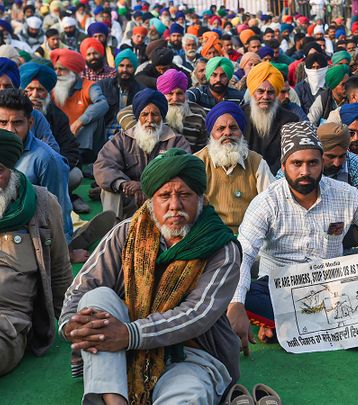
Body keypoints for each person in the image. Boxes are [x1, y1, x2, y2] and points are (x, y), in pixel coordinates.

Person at [60, 149, 241, 404]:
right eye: (165, 195)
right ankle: (114, 400)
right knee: (97, 297)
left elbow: (197, 314)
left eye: (185, 195)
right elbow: (83, 285)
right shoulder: (126, 233)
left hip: (190, 355)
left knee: (186, 398)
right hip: (120, 351)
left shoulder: (222, 248)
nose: (175, 205)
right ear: (150, 200)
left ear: (201, 198)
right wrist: (70, 325)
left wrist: (131, 334)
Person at [226, 121, 358, 351]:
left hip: (333, 288)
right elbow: (244, 252)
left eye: (312, 163)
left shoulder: (345, 195)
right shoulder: (267, 202)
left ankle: (288, 327)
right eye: (297, 163)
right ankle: (346, 330)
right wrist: (236, 302)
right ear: (284, 164)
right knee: (245, 298)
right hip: (278, 289)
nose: (305, 172)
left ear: (322, 163)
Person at [0, 130, 72, 376]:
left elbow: (61, 268)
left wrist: (71, 319)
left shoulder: (41, 203)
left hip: (8, 322)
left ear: (11, 170)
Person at [94, 89, 191, 221]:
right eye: (145, 114)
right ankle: (113, 231)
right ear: (138, 117)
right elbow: (103, 165)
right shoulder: (123, 139)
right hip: (130, 196)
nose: (149, 119)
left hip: (161, 196)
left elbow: (183, 172)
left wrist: (145, 186)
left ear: (162, 117)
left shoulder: (176, 141)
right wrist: (122, 184)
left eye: (155, 114)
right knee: (110, 189)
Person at [0, 89, 73, 243]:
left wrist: (65, 248)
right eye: (2, 123)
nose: (10, 130)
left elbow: (59, 210)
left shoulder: (47, 159)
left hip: (24, 239)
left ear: (30, 123)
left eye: (17, 123)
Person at [195, 102, 274, 234]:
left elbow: (272, 202)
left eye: (233, 128)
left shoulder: (256, 162)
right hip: (210, 236)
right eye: (220, 129)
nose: (227, 133)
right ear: (211, 134)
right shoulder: (198, 162)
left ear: (241, 132)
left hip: (250, 236)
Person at [20, 62, 86, 213]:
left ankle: (64, 202)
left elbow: (71, 150)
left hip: (50, 171)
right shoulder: (12, 115)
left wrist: (52, 166)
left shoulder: (57, 116)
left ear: (48, 93)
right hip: (18, 171)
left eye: (40, 90)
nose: (34, 95)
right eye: (30, 89)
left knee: (75, 175)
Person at [50, 48, 108, 162]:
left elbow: (103, 103)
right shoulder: (53, 88)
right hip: (62, 136)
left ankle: (81, 155)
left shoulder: (89, 86)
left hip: (84, 140)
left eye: (61, 69)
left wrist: (79, 122)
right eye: (55, 69)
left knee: (95, 114)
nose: (57, 73)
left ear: (73, 71)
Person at [242, 62, 298, 173]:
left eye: (271, 92)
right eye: (260, 91)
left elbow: (288, 156)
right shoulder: (240, 115)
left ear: (276, 94)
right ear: (253, 92)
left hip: (276, 177)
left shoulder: (290, 120)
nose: (265, 97)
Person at [156, 69, 208, 153]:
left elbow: (202, 149)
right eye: (170, 93)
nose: (175, 98)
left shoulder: (198, 113)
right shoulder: (154, 112)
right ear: (162, 95)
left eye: (179, 93)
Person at [97, 49, 144, 139]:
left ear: (134, 68)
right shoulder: (103, 85)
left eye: (129, 66)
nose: (124, 70)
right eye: (121, 66)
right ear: (116, 67)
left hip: (130, 134)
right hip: (105, 133)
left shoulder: (141, 90)